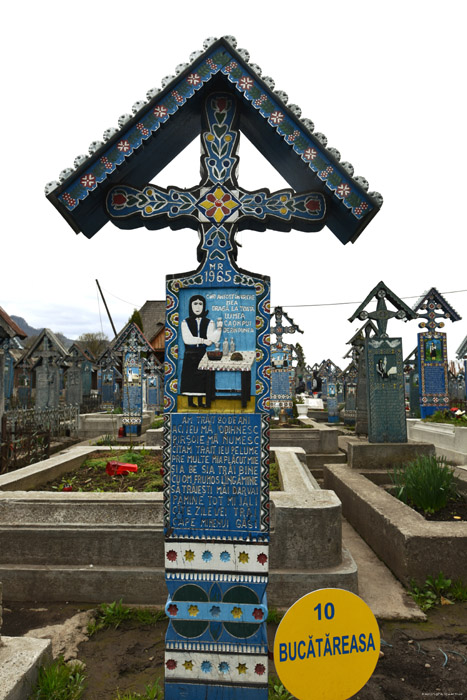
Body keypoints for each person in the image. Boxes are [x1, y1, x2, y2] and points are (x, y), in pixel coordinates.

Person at [180, 294, 222, 407]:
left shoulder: (209, 322)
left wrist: (219, 329)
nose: (198, 307)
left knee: (202, 378)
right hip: (190, 353)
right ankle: (190, 401)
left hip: (202, 354)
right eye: (195, 304)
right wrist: (203, 340)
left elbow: (212, 338)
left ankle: (200, 401)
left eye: (200, 304)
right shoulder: (185, 322)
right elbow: (187, 339)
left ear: (203, 306)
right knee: (190, 378)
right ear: (190, 306)